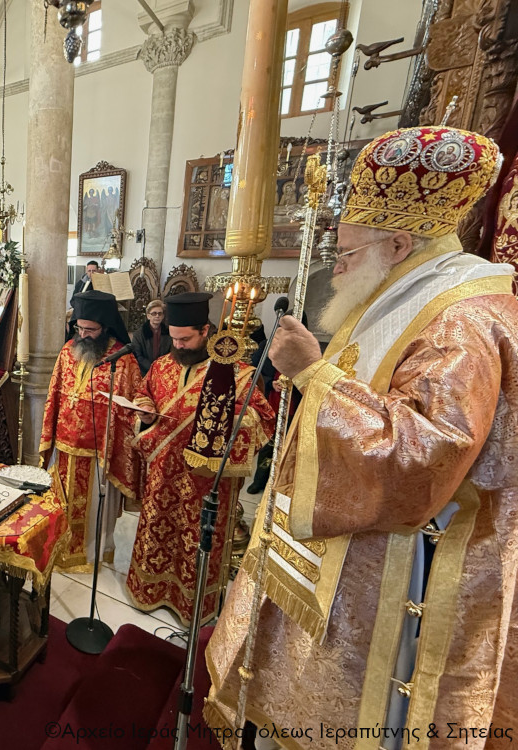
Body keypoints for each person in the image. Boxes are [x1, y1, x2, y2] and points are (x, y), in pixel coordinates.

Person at [206, 126, 518, 745]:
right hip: (345, 560)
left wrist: (313, 374)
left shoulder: (462, 319)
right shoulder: (406, 296)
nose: (339, 265)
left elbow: (423, 456)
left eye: (347, 251)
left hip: (407, 579)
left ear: (399, 243)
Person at [127, 293, 274, 626]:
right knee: (157, 531)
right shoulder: (162, 366)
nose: (177, 345)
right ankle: (150, 591)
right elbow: (143, 393)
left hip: (206, 482)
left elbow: (263, 418)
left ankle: (191, 603)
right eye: (174, 338)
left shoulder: (236, 374)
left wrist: (223, 420)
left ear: (205, 331)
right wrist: (145, 411)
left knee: (195, 540)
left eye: (185, 339)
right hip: (162, 474)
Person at [39, 290, 141, 570]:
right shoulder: (67, 351)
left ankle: (92, 553)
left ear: (105, 327)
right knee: (61, 501)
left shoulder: (122, 360)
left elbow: (130, 409)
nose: (83, 335)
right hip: (64, 445)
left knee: (96, 507)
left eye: (90, 330)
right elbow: (54, 394)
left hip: (99, 451)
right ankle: (60, 548)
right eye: (79, 328)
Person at [130, 299, 172, 376]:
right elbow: (138, 356)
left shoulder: (169, 333)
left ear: (163, 316)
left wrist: (162, 368)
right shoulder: (138, 334)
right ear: (148, 316)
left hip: (164, 371)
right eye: (154, 313)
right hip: (144, 372)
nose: (157, 316)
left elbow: (171, 353)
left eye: (160, 313)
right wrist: (153, 368)